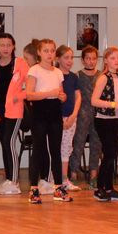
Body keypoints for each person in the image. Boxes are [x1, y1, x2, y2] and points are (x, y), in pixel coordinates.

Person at [25, 39, 72, 205]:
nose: (49, 54)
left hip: (54, 112)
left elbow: (61, 94)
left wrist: (62, 96)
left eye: (52, 50)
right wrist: (48, 93)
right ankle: (33, 189)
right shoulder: (34, 70)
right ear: (39, 52)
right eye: (46, 50)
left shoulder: (58, 72)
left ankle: (58, 188)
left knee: (55, 150)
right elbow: (29, 95)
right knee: (38, 150)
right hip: (39, 112)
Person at [0, 33, 29, 195]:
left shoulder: (20, 63)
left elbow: (31, 86)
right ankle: (9, 179)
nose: (5, 48)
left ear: (13, 46)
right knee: (4, 145)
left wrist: (20, 96)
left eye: (8, 45)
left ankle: (14, 182)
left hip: (14, 110)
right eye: (2, 45)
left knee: (9, 142)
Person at [91, 46, 118, 201]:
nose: (116, 61)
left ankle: (109, 188)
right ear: (106, 60)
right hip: (104, 119)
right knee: (109, 153)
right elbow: (94, 100)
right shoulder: (103, 77)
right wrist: (113, 105)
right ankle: (99, 188)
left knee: (112, 154)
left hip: (117, 119)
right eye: (113, 58)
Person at [70, 45, 102, 187]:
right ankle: (73, 172)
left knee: (96, 144)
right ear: (83, 60)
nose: (91, 61)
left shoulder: (101, 75)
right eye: (88, 58)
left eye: (93, 59)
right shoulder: (77, 75)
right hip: (82, 114)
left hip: (98, 114)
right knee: (78, 143)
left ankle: (94, 173)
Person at [57, 45, 82, 192]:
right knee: (55, 147)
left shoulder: (73, 77)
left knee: (66, 148)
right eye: (66, 57)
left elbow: (78, 97)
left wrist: (73, 115)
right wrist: (60, 119)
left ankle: (64, 179)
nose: (69, 61)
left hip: (71, 117)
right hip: (57, 118)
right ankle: (53, 179)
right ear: (58, 59)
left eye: (71, 58)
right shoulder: (54, 75)